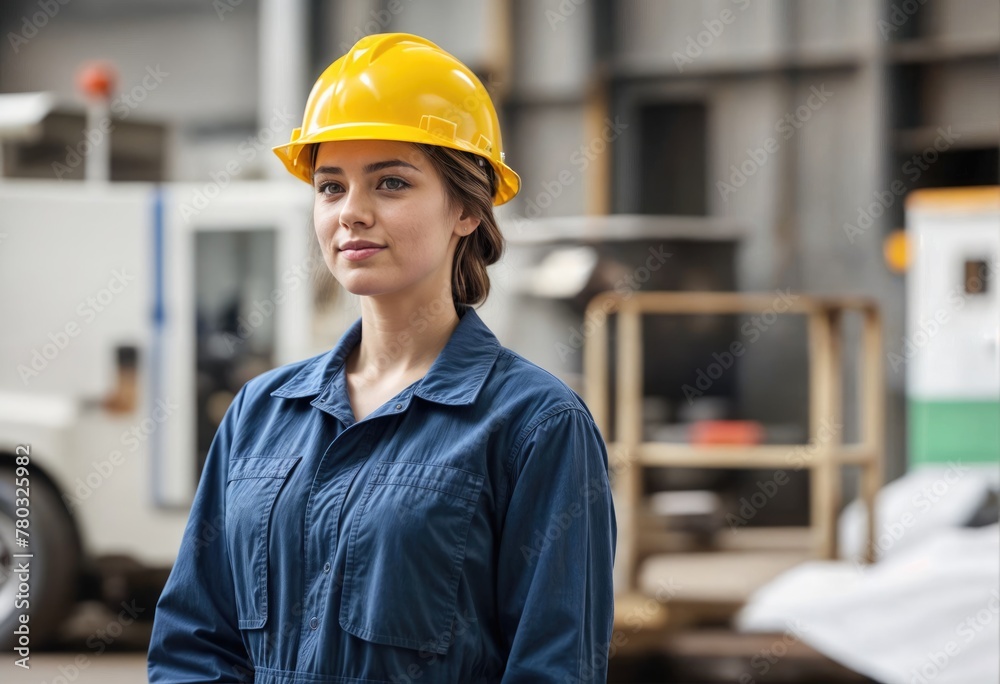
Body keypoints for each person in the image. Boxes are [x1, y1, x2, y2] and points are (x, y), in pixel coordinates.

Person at [147, 32, 616, 683]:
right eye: (330, 187)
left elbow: (554, 666)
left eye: (390, 182)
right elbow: (192, 648)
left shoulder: (535, 426)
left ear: (465, 209)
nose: (352, 213)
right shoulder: (261, 414)